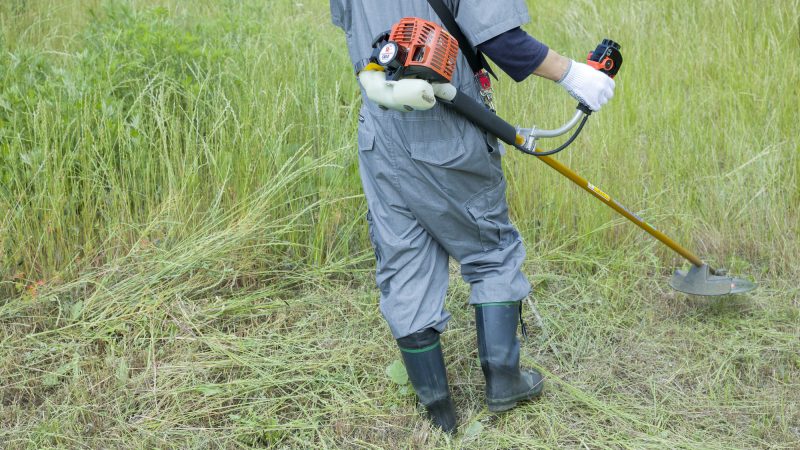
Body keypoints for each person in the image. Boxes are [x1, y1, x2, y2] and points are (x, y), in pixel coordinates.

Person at [330, 0, 615, 433]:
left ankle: (438, 409)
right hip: (446, 123)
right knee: (491, 249)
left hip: (381, 127)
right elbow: (501, 39)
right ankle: (504, 381)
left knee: (403, 256)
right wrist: (575, 74)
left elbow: (354, 29)